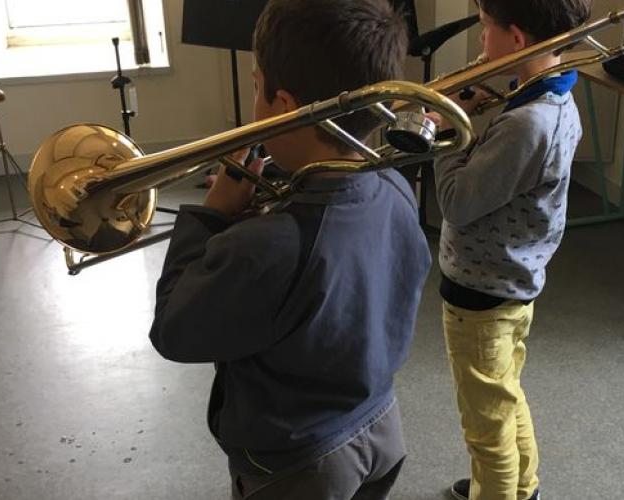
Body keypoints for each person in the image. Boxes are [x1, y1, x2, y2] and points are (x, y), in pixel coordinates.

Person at [148, 1, 431, 499]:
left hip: (298, 463)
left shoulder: (265, 246)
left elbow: (174, 329)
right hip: (379, 423)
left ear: (281, 103)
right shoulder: (393, 183)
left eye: (256, 86)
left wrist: (211, 216)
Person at [430, 0, 591, 499]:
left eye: (484, 30)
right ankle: (522, 489)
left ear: (517, 39)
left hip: (480, 290)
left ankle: (497, 491)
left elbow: (457, 202)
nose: (480, 44)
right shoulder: (555, 96)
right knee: (505, 397)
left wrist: (445, 131)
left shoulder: (527, 124)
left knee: (486, 427)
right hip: (513, 280)